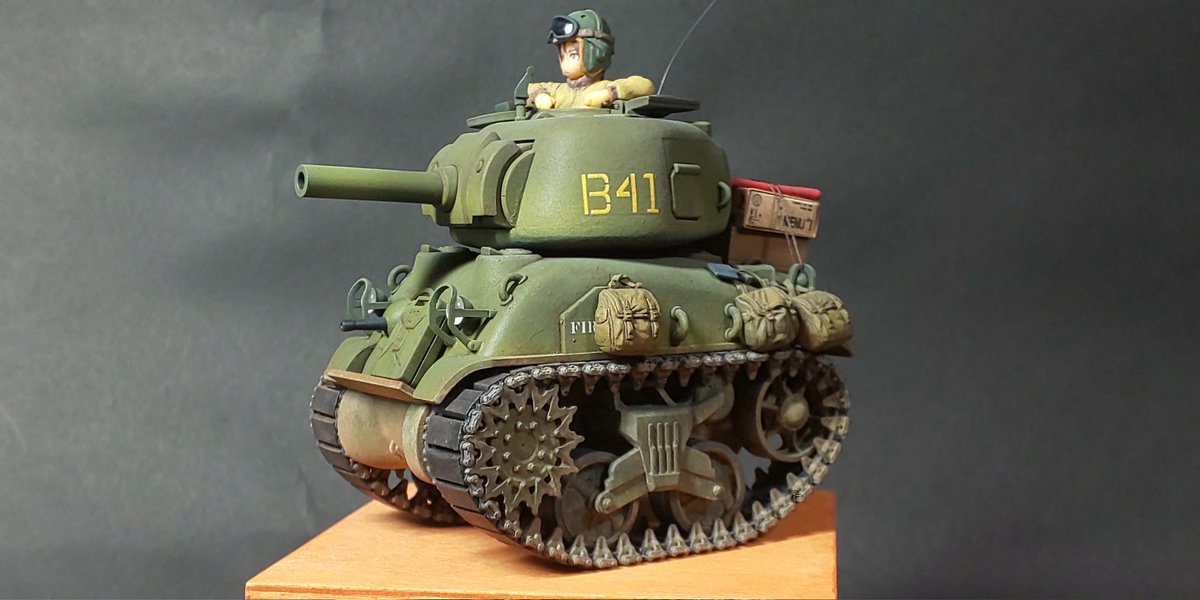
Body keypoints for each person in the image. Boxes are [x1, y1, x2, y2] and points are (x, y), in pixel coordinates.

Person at [528, 9, 655, 110]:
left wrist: (610, 93)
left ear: (598, 54)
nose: (566, 63)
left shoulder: (604, 88)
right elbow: (528, 89)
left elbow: (644, 86)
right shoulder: (558, 91)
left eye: (574, 55)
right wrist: (539, 95)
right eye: (563, 55)